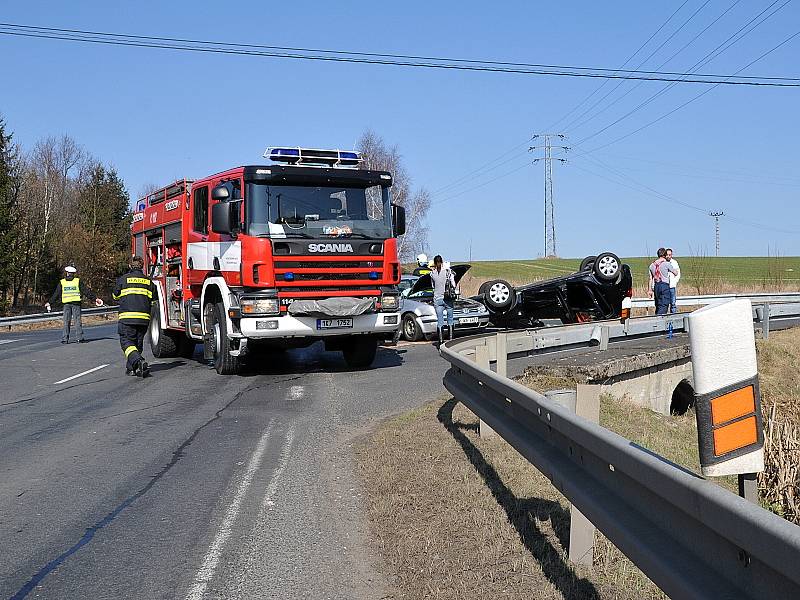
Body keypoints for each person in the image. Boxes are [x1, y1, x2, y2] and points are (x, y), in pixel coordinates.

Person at [112, 255, 155, 377]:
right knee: (137, 344)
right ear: (142, 266)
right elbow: (154, 299)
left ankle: (139, 361)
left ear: (130, 266)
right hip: (144, 320)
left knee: (126, 342)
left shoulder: (123, 279)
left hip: (127, 318)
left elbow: (115, 296)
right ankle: (131, 368)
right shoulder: (148, 281)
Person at [45, 265, 102, 344]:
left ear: (67, 273)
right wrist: (95, 298)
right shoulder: (77, 281)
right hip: (76, 304)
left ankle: (65, 339)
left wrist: (50, 302)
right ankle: (79, 338)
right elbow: (86, 292)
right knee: (77, 321)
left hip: (66, 304)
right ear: (73, 273)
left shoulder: (62, 282)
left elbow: (57, 294)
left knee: (66, 321)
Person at [428, 254, 456, 343]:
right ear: (442, 262)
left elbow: (433, 286)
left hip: (437, 298)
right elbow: (453, 285)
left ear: (435, 263)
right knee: (450, 319)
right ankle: (450, 340)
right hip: (447, 298)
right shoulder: (448, 272)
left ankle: (441, 342)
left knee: (440, 321)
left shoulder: (432, 274)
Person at [648, 248, 678, 316]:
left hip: (656, 287)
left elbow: (650, 279)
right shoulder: (666, 264)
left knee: (658, 305)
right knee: (664, 306)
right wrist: (675, 270)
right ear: (664, 255)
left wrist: (650, 290)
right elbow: (675, 273)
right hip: (664, 286)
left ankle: (656, 320)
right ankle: (659, 321)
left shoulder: (652, 265)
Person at [665, 248, 681, 314]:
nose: (668, 256)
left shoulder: (674, 263)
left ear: (672, 255)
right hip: (665, 286)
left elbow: (678, 273)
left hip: (672, 286)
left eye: (670, 255)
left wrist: (675, 282)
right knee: (665, 304)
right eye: (667, 255)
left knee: (673, 304)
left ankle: (673, 316)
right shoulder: (663, 262)